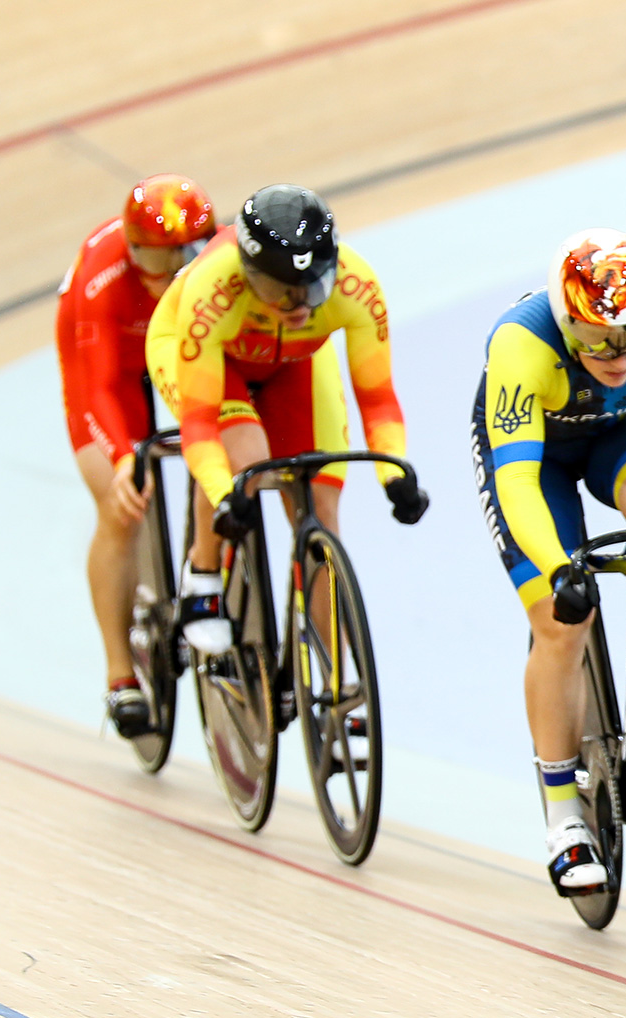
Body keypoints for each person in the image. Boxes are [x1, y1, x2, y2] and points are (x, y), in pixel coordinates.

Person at [468, 229, 626, 892]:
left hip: (621, 428)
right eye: (601, 337)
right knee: (563, 624)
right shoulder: (521, 347)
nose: (620, 353)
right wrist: (561, 570)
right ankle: (563, 818)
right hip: (537, 458)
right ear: (565, 320)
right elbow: (517, 483)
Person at [146, 183, 426, 663]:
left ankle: (339, 680)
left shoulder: (357, 287)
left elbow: (377, 400)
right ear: (247, 271)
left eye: (313, 287)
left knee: (320, 506)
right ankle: (203, 574)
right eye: (280, 291)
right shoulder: (212, 288)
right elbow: (198, 424)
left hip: (293, 363)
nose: (298, 306)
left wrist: (394, 474)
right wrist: (223, 495)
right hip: (207, 358)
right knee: (247, 459)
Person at [56, 174, 215, 736]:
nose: (181, 263)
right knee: (121, 504)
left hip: (178, 345)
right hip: (112, 365)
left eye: (190, 249)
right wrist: (123, 457)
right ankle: (120, 674)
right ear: (134, 247)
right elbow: (96, 389)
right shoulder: (106, 279)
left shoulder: (210, 260)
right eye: (167, 254)